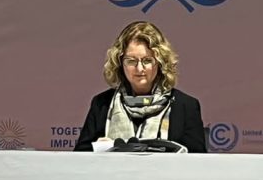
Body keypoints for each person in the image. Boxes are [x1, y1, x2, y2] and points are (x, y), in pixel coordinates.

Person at [74, 21, 206, 152]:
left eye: (147, 60)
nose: (139, 68)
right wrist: (96, 151)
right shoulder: (101, 104)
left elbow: (199, 161)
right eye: (131, 61)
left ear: (160, 63)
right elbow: (78, 158)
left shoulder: (186, 106)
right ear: (119, 62)